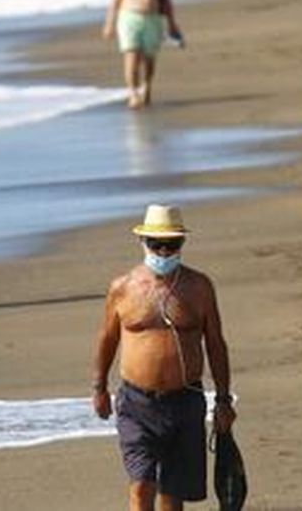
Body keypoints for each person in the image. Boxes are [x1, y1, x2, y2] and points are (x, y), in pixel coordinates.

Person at [92, 204, 235, 510]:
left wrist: (223, 400)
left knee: (173, 491)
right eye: (156, 244)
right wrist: (99, 387)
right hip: (136, 402)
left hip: (185, 400)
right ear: (143, 243)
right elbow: (107, 338)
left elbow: (215, 344)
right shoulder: (122, 288)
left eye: (171, 245)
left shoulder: (199, 287)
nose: (163, 251)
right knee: (142, 483)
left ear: (182, 244)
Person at [104, 0, 184, 109]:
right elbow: (115, 2)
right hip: (129, 18)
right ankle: (133, 92)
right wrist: (109, 24)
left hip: (152, 19)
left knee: (148, 58)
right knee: (131, 55)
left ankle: (146, 86)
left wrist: (172, 23)